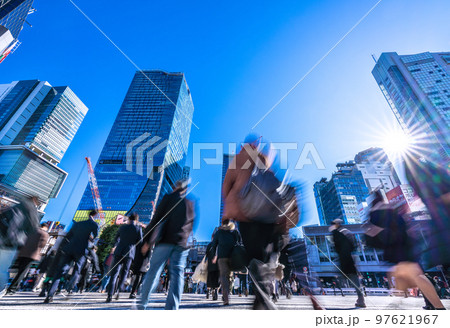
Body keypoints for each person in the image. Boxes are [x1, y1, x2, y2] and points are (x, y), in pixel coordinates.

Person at [222, 134, 282, 310]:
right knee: (266, 255)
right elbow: (273, 180)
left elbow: (226, 187)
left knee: (255, 257)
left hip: (246, 215)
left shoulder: (237, 160)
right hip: (268, 214)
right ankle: (262, 298)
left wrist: (228, 213)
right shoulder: (262, 158)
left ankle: (262, 298)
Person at [368, 191, 445, 310]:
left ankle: (439, 308)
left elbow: (372, 234)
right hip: (407, 246)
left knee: (416, 277)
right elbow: (405, 226)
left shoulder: (374, 214)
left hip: (394, 248)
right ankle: (430, 304)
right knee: (409, 276)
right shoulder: (393, 210)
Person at [138, 179, 197, 310]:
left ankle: (142, 304)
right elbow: (192, 225)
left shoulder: (169, 197)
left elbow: (156, 218)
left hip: (165, 240)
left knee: (154, 271)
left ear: (176, 187)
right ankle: (172, 308)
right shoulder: (190, 203)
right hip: (182, 243)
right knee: (177, 274)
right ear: (186, 189)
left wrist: (147, 241)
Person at [44, 210, 99, 303]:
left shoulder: (78, 224)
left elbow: (68, 236)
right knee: (77, 269)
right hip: (81, 250)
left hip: (69, 248)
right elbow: (94, 237)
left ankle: (49, 295)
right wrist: (90, 238)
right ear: (95, 215)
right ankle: (70, 289)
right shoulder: (94, 224)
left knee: (60, 270)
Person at [0, 196, 40, 297]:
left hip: (2, 237)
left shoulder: (15, 207)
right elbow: (34, 229)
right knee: (3, 269)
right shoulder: (33, 212)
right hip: (11, 242)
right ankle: (1, 290)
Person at [106, 213, 143, 302]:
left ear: (129, 219)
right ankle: (119, 291)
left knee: (114, 273)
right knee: (124, 273)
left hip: (119, 251)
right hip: (129, 253)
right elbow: (140, 242)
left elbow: (116, 239)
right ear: (137, 220)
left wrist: (115, 246)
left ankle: (110, 295)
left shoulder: (122, 227)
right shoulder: (138, 228)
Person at [330, 219, 366, 308]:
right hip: (350, 256)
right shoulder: (346, 231)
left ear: (336, 224)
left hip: (344, 258)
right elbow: (354, 244)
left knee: (350, 276)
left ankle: (360, 298)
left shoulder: (337, 232)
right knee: (352, 276)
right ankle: (360, 298)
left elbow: (336, 246)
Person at [6, 222, 49, 294]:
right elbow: (42, 245)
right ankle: (12, 288)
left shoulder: (31, 230)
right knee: (22, 272)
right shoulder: (44, 234)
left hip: (21, 252)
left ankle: (5, 283)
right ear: (45, 228)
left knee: (13, 269)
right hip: (31, 254)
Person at [210, 219, 241, 305]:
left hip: (222, 257)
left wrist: (213, 256)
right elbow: (239, 242)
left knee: (223, 276)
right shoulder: (234, 231)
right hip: (233, 256)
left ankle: (226, 297)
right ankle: (227, 293)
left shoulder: (219, 232)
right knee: (229, 276)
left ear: (222, 223)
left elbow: (214, 244)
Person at [205, 234, 220, 300]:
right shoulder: (219, 245)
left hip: (210, 266)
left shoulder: (209, 245)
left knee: (209, 278)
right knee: (216, 278)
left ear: (212, 238)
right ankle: (215, 291)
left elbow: (206, 254)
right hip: (217, 266)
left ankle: (208, 292)